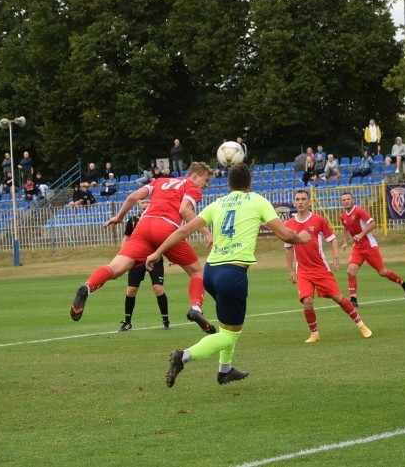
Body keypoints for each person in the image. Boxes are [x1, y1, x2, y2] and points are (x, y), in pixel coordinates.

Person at [145, 163, 310, 388]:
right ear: (249, 183)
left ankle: (225, 370)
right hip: (232, 274)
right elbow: (284, 234)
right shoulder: (258, 201)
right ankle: (183, 356)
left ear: (229, 184)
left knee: (228, 326)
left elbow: (183, 230)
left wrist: (157, 252)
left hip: (211, 273)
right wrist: (301, 237)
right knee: (231, 335)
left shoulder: (218, 203)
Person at [69, 162, 216, 335]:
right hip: (166, 229)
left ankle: (87, 287)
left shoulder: (161, 181)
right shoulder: (192, 187)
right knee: (197, 272)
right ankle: (195, 308)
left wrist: (119, 216)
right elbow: (184, 210)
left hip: (143, 227)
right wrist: (206, 231)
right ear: (195, 176)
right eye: (206, 180)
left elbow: (133, 197)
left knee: (114, 269)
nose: (206, 185)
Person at [285, 190, 372, 343]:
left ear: (309, 202)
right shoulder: (289, 224)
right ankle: (314, 334)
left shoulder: (318, 220)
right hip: (303, 270)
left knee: (338, 297)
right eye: (297, 199)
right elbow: (288, 247)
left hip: (320, 268)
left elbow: (332, 239)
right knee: (307, 301)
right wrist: (290, 269)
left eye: (303, 199)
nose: (300, 202)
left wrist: (336, 255)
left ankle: (361, 325)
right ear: (293, 202)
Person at [339, 191, 405, 306]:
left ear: (353, 200)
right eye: (344, 200)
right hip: (357, 248)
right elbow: (345, 228)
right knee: (350, 271)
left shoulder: (359, 211)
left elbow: (372, 223)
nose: (346, 201)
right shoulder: (343, 216)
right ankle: (353, 299)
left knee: (382, 272)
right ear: (341, 202)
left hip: (369, 246)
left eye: (348, 199)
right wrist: (344, 242)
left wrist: (361, 235)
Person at [118, 199, 170, 331]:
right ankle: (127, 322)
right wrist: (123, 253)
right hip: (136, 259)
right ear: (138, 205)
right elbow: (126, 237)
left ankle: (166, 321)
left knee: (158, 288)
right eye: (142, 202)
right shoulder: (133, 220)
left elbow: (166, 238)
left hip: (154, 258)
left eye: (148, 202)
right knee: (131, 291)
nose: (145, 205)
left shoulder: (159, 219)